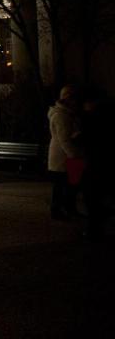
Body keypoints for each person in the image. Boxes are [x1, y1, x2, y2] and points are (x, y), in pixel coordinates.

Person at [48, 85, 82, 221]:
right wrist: (75, 156)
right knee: (64, 186)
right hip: (65, 157)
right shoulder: (61, 115)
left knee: (65, 186)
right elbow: (64, 140)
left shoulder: (65, 114)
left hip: (64, 157)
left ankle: (65, 209)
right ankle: (61, 210)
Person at [80, 88, 107, 240]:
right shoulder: (103, 116)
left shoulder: (90, 118)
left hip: (93, 161)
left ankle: (94, 227)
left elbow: (87, 139)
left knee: (92, 196)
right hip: (100, 161)